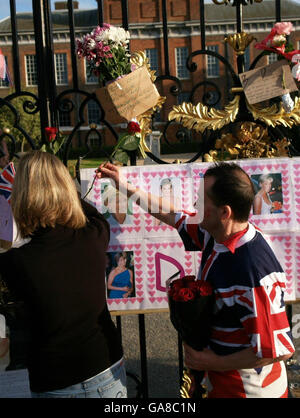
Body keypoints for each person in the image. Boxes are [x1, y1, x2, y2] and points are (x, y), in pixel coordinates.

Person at [97, 161, 295, 398]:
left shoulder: (252, 270)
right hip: (222, 384)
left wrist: (209, 361)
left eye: (201, 202)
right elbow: (172, 215)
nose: (193, 205)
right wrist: (125, 186)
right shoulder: (218, 234)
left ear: (225, 213)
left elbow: (279, 349)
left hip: (248, 391)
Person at [0, 151, 126, 398]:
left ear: (22, 196)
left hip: (56, 381)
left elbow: (4, 239)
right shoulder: (95, 235)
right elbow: (89, 211)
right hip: (106, 367)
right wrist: (64, 187)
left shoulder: (16, 263)